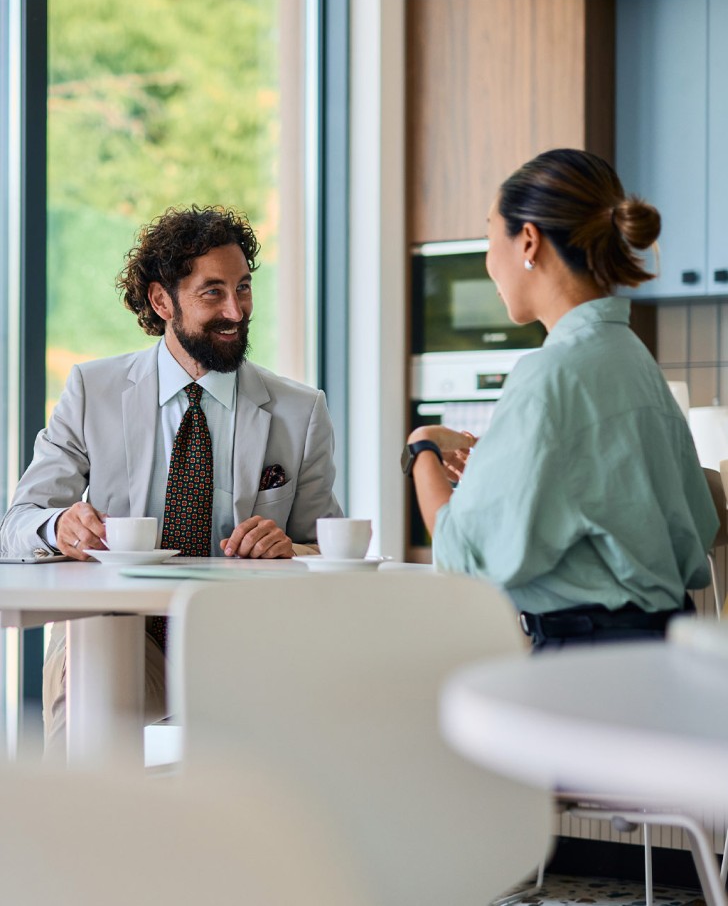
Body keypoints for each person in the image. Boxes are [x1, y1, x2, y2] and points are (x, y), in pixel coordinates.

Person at [0, 204, 342, 752]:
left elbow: (331, 549)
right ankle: (92, 824)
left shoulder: (300, 412)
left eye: (244, 287)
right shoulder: (94, 391)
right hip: (121, 632)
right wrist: (59, 525)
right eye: (213, 292)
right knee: (91, 678)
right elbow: (17, 525)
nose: (236, 309)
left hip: (247, 641)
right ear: (162, 301)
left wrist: (289, 548)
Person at [401, 148, 718, 649]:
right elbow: (699, 520)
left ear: (528, 240)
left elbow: (461, 554)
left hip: (588, 657)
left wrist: (420, 450)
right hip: (655, 650)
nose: (488, 262)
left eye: (489, 237)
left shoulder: (550, 374)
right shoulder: (633, 358)